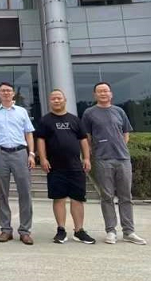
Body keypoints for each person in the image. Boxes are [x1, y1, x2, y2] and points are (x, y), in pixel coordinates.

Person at [81, 81, 147, 245]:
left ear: (111, 94)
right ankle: (111, 231)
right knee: (107, 196)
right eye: (100, 91)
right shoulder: (89, 113)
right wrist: (91, 152)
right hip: (103, 159)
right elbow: (86, 137)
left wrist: (120, 147)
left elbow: (126, 133)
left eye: (106, 91)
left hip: (123, 159)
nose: (103, 93)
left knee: (126, 196)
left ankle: (129, 231)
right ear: (95, 95)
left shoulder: (119, 111)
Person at [36, 89, 95, 244]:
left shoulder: (75, 120)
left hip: (75, 166)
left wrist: (86, 158)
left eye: (59, 98)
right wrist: (43, 158)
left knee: (77, 199)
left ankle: (79, 230)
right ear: (50, 101)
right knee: (59, 198)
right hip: (55, 167)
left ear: (65, 100)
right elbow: (40, 140)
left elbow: (83, 140)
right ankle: (61, 230)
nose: (56, 101)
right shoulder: (45, 121)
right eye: (53, 98)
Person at [0, 81, 35, 245]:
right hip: (0, 153)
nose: (6, 93)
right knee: (2, 194)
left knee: (25, 192)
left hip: (20, 153)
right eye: (3, 91)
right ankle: (6, 229)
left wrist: (31, 154)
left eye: (8, 90)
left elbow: (29, 133)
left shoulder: (22, 111)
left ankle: (25, 231)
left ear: (13, 93)